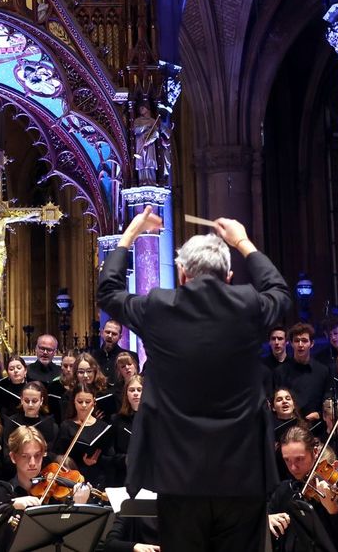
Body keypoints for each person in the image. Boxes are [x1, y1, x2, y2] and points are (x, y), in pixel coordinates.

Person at [97, 207, 290, 551]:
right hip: (242, 474)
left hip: (178, 476)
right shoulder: (250, 305)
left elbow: (108, 292)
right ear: (229, 276)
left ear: (182, 274)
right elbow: (280, 292)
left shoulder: (157, 307)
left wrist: (131, 234)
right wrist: (243, 242)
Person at [268, 426, 338, 552]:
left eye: (299, 459)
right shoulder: (286, 489)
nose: (293, 467)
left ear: (315, 452)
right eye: (287, 460)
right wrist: (267, 520)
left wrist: (334, 510)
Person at [54, 386, 113, 488]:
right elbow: (58, 455)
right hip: (73, 478)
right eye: (80, 402)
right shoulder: (66, 425)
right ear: (74, 402)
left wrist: (96, 460)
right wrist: (81, 461)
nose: (84, 405)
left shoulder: (103, 426)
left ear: (94, 402)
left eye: (88, 401)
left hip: (98, 477)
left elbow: (111, 455)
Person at [272, 322, 328, 421]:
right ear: (292, 343)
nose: (300, 345)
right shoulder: (280, 372)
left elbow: (327, 399)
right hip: (289, 426)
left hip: (316, 426)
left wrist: (319, 414)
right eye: (297, 341)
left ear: (312, 343)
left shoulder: (323, 371)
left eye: (304, 341)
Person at [111, 374, 142, 487]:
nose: (135, 393)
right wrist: (126, 459)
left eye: (139, 390)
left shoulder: (154, 419)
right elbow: (111, 455)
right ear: (126, 394)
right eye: (131, 390)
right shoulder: (117, 420)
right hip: (123, 476)